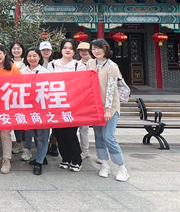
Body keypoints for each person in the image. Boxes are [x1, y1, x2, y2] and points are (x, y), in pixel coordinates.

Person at [87, 38, 129, 182]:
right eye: (93, 48)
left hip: (110, 107)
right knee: (99, 136)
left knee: (108, 137)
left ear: (106, 49)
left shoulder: (112, 66)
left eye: (99, 48)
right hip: (95, 107)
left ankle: (121, 167)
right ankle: (104, 165)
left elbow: (111, 90)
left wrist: (108, 109)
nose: (96, 51)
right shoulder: (91, 63)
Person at [48, 38, 86, 172]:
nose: (67, 50)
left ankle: (76, 159)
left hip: (72, 105)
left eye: (70, 48)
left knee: (70, 133)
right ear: (61, 49)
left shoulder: (78, 66)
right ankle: (65, 158)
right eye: (65, 48)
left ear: (75, 51)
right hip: (56, 104)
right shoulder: (52, 65)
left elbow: (81, 85)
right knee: (59, 133)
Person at [0, 43, 21, 174]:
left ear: (5, 54)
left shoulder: (13, 69)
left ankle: (6, 161)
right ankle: (7, 154)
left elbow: (20, 87)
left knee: (5, 133)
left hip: (9, 106)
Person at [21, 47, 51, 175]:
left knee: (42, 135)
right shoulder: (22, 72)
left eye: (35, 56)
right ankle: (41, 157)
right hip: (28, 109)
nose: (32, 58)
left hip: (43, 109)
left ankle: (38, 163)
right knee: (33, 133)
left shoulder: (46, 72)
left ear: (39, 57)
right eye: (29, 56)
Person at [9, 41, 27, 154]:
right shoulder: (8, 62)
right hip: (11, 94)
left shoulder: (27, 61)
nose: (16, 50)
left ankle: (27, 145)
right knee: (15, 118)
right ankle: (19, 142)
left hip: (25, 94)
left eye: (18, 48)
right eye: (14, 48)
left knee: (24, 119)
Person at [77, 41, 93, 160]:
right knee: (82, 126)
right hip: (79, 99)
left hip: (92, 98)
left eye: (86, 50)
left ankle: (97, 152)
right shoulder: (76, 65)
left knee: (94, 128)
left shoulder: (96, 63)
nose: (84, 52)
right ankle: (84, 149)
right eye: (81, 50)